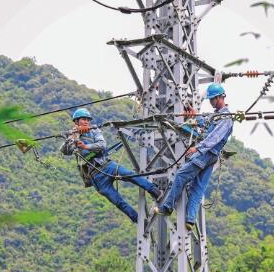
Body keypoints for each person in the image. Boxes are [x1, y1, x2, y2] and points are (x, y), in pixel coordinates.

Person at [153, 83, 234, 230]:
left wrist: (197, 147)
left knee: (181, 176)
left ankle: (167, 207)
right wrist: (195, 115)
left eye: (212, 100)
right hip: (211, 156)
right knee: (197, 188)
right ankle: (190, 220)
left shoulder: (226, 118)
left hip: (205, 154)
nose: (210, 102)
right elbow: (206, 123)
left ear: (218, 97)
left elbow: (214, 137)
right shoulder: (217, 116)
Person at [61, 108, 162, 223]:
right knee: (117, 201)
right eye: (83, 119)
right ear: (76, 121)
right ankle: (137, 219)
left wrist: (85, 147)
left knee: (130, 175)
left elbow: (102, 145)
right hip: (95, 177)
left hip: (106, 165)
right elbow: (64, 151)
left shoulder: (94, 130)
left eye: (87, 120)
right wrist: (74, 137)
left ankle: (153, 190)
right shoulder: (72, 135)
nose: (86, 122)